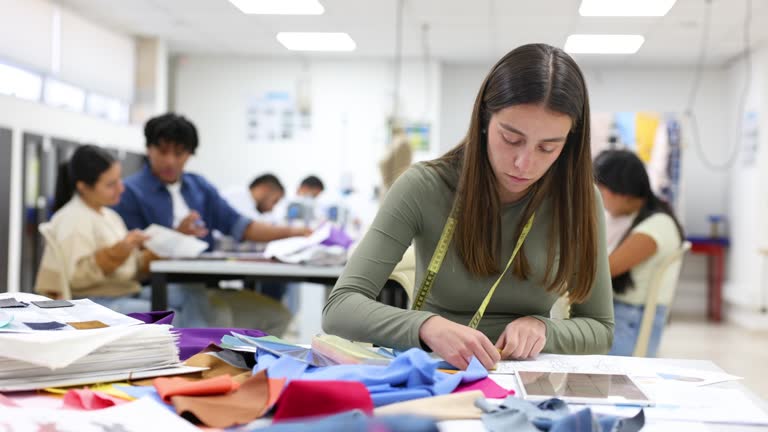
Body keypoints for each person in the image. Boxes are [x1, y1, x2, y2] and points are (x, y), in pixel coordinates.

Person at [323, 43, 614, 371]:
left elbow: (601, 327)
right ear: (485, 120)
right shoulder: (423, 186)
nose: (524, 164)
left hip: (523, 378)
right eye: (511, 139)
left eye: (548, 147)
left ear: (569, 143)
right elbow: (340, 308)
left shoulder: (579, 201)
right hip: (435, 370)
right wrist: (425, 326)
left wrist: (546, 329)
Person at [34, 145, 152, 313]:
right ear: (83, 187)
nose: (121, 188)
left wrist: (154, 252)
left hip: (125, 291)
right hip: (94, 302)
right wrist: (119, 251)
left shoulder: (110, 215)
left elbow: (129, 269)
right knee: (169, 314)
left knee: (190, 293)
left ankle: (197, 339)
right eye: (111, 184)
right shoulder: (73, 219)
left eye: (119, 180)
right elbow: (77, 278)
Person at [594, 150, 684, 357]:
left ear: (621, 191)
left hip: (629, 319)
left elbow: (604, 271)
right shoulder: (634, 218)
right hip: (625, 315)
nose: (598, 198)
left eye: (600, 190)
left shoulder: (656, 226)